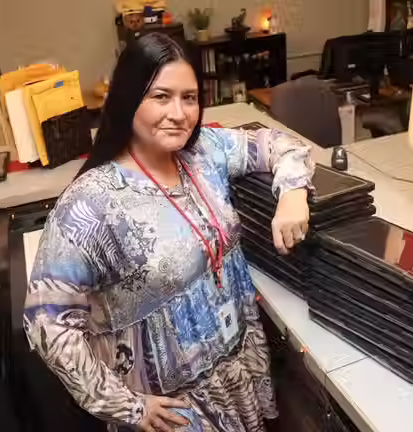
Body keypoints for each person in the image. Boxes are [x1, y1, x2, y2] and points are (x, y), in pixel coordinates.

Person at [24, 33, 313, 432]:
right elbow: (47, 323)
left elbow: (279, 143)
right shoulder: (91, 203)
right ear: (128, 99)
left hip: (238, 370)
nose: (178, 113)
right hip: (173, 410)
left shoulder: (204, 151)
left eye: (189, 97)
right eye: (161, 96)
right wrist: (126, 407)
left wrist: (293, 193)